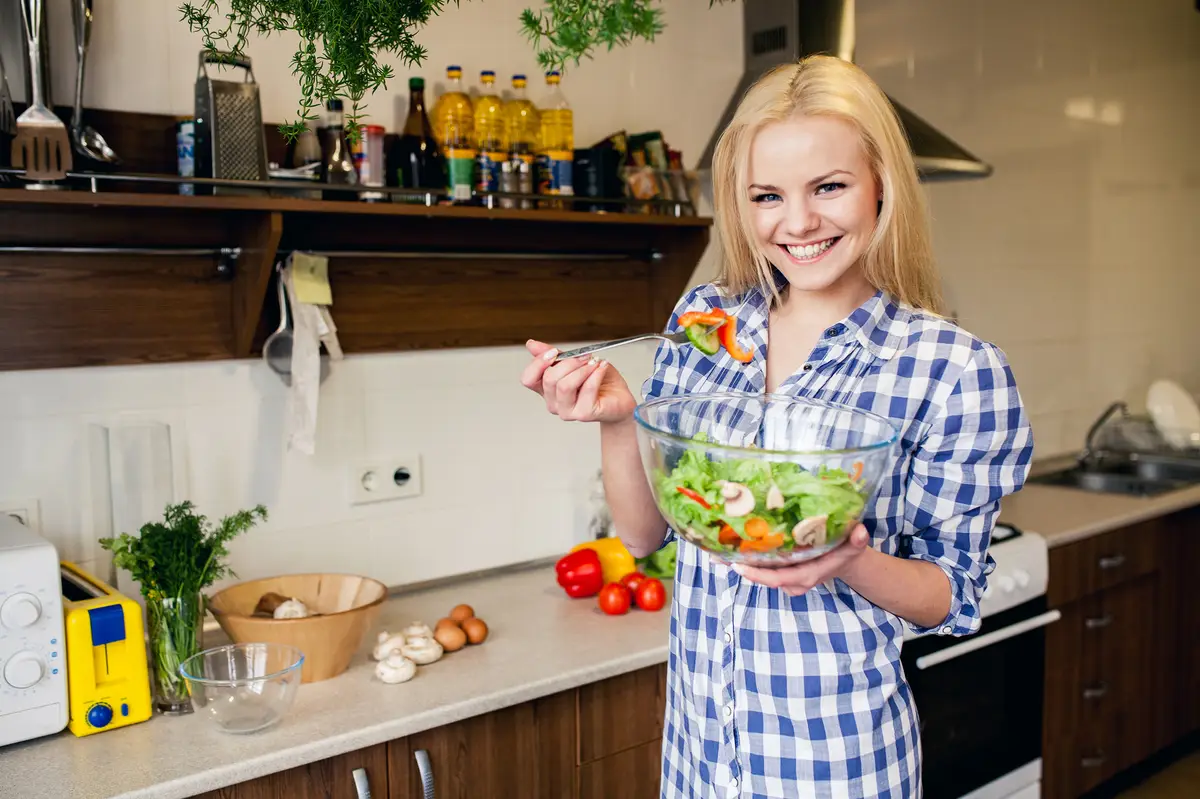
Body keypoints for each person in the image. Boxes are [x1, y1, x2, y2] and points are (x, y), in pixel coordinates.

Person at [520, 54, 1033, 798]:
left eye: (829, 186)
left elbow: (953, 596)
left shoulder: (954, 369)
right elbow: (643, 537)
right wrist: (618, 418)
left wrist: (848, 559)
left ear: (881, 184)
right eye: (768, 195)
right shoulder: (704, 324)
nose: (797, 222)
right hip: (700, 755)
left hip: (835, 763)